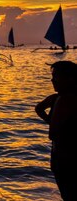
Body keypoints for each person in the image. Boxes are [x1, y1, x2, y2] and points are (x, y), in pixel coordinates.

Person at [35, 60, 77, 200]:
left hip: (66, 159)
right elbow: (39, 108)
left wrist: (51, 122)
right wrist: (51, 121)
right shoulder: (57, 98)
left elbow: (52, 133)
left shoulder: (63, 100)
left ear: (70, 78)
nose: (52, 80)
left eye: (56, 76)